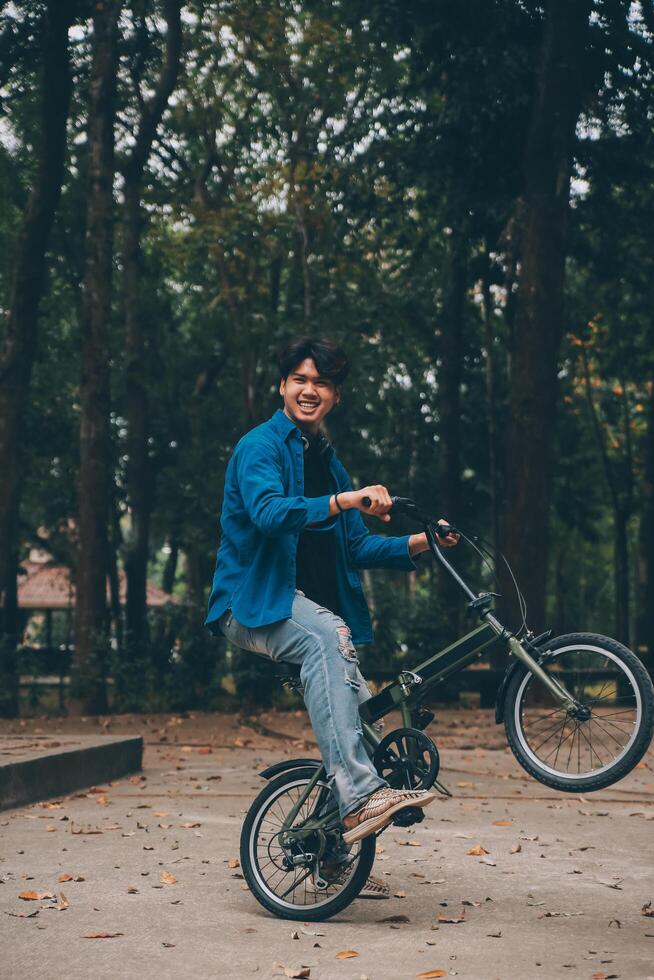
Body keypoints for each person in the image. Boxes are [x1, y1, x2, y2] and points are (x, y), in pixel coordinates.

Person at [205, 337, 459, 897]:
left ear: (335, 395)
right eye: (299, 378)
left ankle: (332, 859)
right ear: (282, 387)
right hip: (253, 603)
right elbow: (270, 514)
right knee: (326, 637)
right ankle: (362, 799)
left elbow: (358, 549)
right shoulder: (260, 447)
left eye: (320, 382)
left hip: (306, 612)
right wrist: (346, 501)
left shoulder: (329, 463)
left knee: (360, 724)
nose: (309, 389)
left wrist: (423, 542)